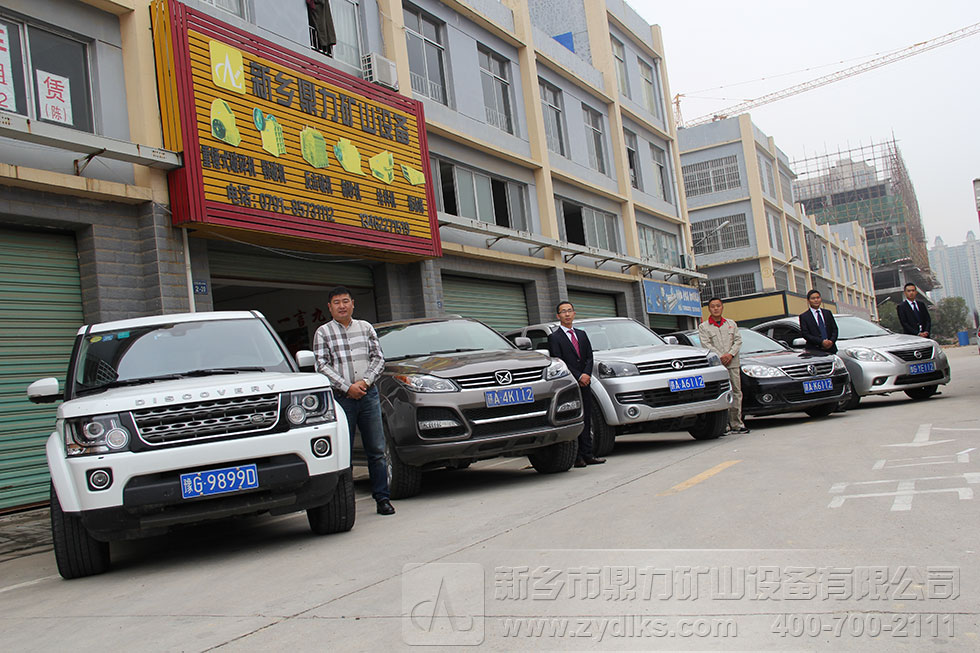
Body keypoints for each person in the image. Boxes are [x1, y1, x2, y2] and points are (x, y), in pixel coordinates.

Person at [313, 286, 394, 515]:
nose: (342, 306)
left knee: (376, 450)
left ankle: (382, 499)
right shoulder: (323, 332)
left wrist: (364, 383)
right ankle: (346, 505)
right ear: (330, 307)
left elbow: (378, 358)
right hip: (341, 400)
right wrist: (347, 387)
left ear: (352, 304)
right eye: (337, 302)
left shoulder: (365, 327)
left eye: (345, 301)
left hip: (368, 395)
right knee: (343, 454)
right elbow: (321, 365)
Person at [547, 301, 605, 467]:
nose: (567, 314)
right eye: (563, 312)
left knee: (587, 417)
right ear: (558, 316)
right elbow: (559, 360)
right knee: (574, 418)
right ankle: (577, 456)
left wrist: (586, 374)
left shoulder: (582, 334)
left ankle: (588, 454)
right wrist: (578, 376)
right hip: (570, 384)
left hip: (585, 382)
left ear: (574, 313)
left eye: (569, 311)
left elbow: (589, 357)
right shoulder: (554, 337)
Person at [697, 297, 748, 434]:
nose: (716, 308)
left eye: (718, 306)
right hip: (718, 365)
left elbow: (738, 341)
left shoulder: (731, 324)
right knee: (722, 393)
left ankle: (737, 423)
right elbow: (706, 344)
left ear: (722, 307)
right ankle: (724, 425)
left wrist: (730, 354)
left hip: (733, 363)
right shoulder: (704, 327)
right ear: (709, 309)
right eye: (713, 306)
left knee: (736, 392)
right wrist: (721, 356)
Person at [799, 289, 838, 354]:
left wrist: (831, 341)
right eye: (813, 298)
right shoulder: (804, 316)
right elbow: (805, 334)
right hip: (814, 350)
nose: (816, 300)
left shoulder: (827, 313)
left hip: (831, 349)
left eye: (818, 298)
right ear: (808, 300)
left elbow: (835, 329)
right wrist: (821, 342)